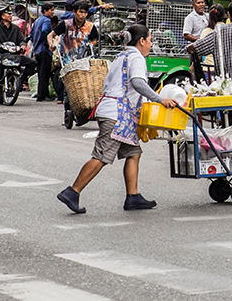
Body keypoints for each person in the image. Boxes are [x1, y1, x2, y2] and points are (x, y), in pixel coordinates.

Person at [57, 24, 180, 214]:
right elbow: (137, 82)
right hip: (116, 116)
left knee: (133, 153)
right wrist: (159, 99)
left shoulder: (121, 56)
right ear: (141, 41)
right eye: (149, 40)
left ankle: (133, 196)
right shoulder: (136, 57)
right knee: (102, 156)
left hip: (118, 114)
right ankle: (72, 192)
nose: (150, 45)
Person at [0, 8, 37, 94]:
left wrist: (23, 45)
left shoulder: (16, 29)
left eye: (11, 14)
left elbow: (21, 40)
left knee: (32, 62)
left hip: (13, 54)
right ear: (2, 16)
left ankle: (21, 81)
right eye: (8, 14)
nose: (10, 16)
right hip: (0, 53)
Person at [30, 2, 57, 102]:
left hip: (37, 50)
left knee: (41, 73)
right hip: (44, 50)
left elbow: (31, 35)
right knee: (44, 73)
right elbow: (45, 31)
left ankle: (43, 93)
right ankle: (42, 95)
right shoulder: (46, 20)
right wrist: (47, 44)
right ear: (45, 11)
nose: (53, 12)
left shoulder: (37, 21)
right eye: (51, 10)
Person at [199, 4, 227, 78]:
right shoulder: (228, 30)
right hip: (224, 69)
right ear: (224, 15)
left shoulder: (206, 31)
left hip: (208, 68)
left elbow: (200, 50)